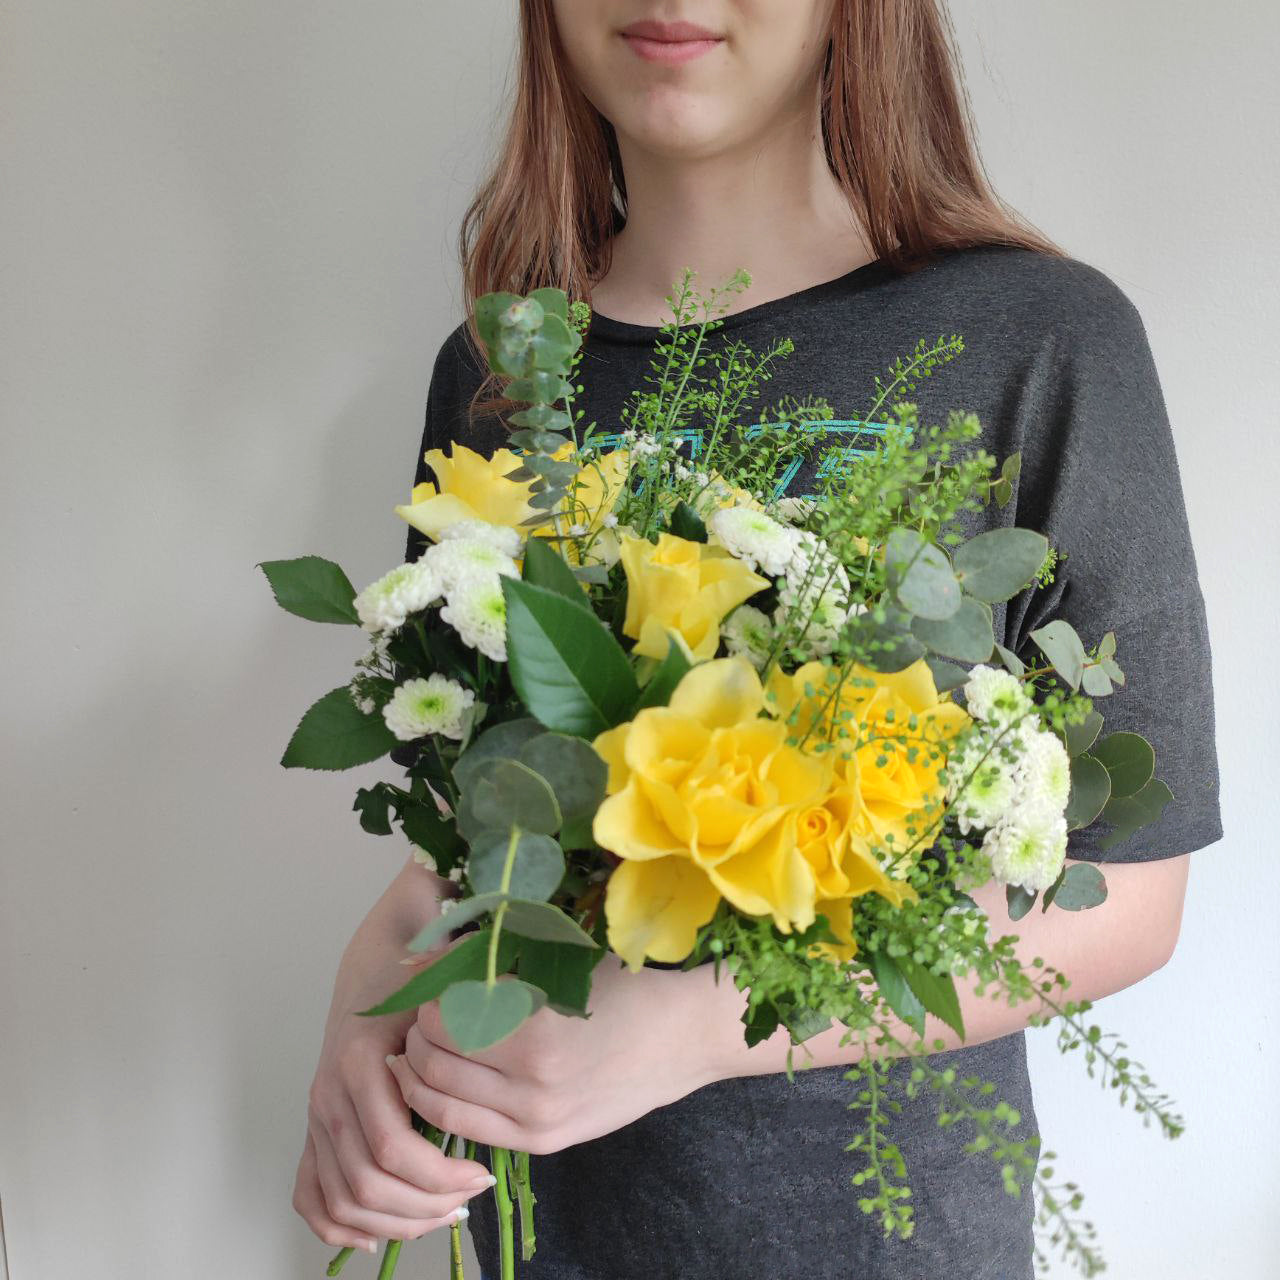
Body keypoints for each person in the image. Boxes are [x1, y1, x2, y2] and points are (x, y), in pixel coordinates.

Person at [292, 3, 1224, 1276]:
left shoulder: (1041, 339)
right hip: (543, 1232)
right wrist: (365, 1002)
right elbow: (475, 827)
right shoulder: (505, 371)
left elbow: (1128, 897)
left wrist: (693, 1031)